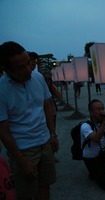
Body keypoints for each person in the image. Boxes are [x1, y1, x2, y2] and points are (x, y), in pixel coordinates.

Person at [0, 41, 59, 200]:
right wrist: (20, 160)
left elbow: (47, 105)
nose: (28, 69)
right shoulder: (2, 89)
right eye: (21, 67)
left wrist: (52, 134)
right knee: (26, 193)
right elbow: (3, 129)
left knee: (45, 184)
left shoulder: (37, 77)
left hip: (45, 142)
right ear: (6, 69)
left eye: (28, 63)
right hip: (24, 149)